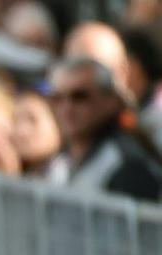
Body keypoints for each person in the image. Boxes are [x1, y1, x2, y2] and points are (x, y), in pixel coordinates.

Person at [46, 57, 162, 201]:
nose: (66, 108)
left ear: (110, 101)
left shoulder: (127, 164)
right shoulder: (59, 157)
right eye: (57, 98)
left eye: (79, 97)